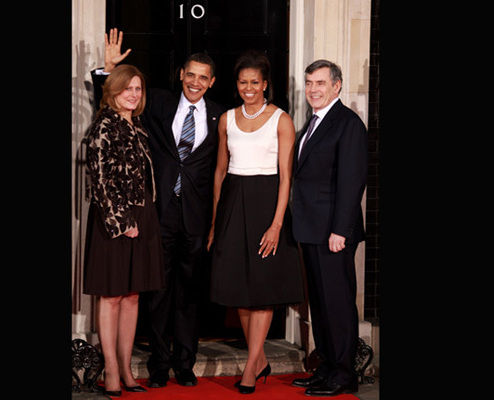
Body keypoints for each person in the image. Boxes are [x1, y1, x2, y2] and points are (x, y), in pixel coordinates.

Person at [91, 28, 225, 388]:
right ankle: (159, 363)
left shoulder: (220, 116)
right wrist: (107, 70)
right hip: (157, 215)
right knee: (156, 292)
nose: (195, 82)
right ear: (181, 74)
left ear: (211, 82)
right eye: (190, 74)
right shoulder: (157, 104)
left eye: (203, 77)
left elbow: (224, 170)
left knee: (189, 294)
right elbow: (110, 110)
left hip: (195, 217)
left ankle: (185, 362)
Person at [207, 50, 305, 395]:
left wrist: (277, 224)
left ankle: (251, 367)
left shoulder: (281, 119)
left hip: (267, 204)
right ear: (237, 84)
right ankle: (259, 358)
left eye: (255, 82)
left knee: (261, 289)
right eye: (243, 82)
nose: (249, 88)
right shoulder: (226, 119)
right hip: (233, 202)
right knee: (239, 289)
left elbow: (286, 178)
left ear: (266, 84)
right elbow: (219, 172)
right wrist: (216, 222)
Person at [83, 63, 165, 397]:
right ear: (112, 92)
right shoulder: (104, 125)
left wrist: (141, 219)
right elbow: (100, 179)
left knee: (133, 296)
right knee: (113, 295)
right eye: (126, 88)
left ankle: (128, 368)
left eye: (137, 88)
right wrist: (122, 222)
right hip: (114, 221)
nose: (133, 94)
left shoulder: (139, 125)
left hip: (143, 215)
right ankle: (112, 371)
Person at [290, 59, 368, 397]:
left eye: (320, 83)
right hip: (311, 229)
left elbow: (352, 182)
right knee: (320, 304)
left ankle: (344, 373)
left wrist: (340, 230)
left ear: (336, 86)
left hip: (332, 233)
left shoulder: (348, 123)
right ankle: (325, 367)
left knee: (337, 305)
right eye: (309, 83)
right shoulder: (314, 121)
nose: (313, 90)